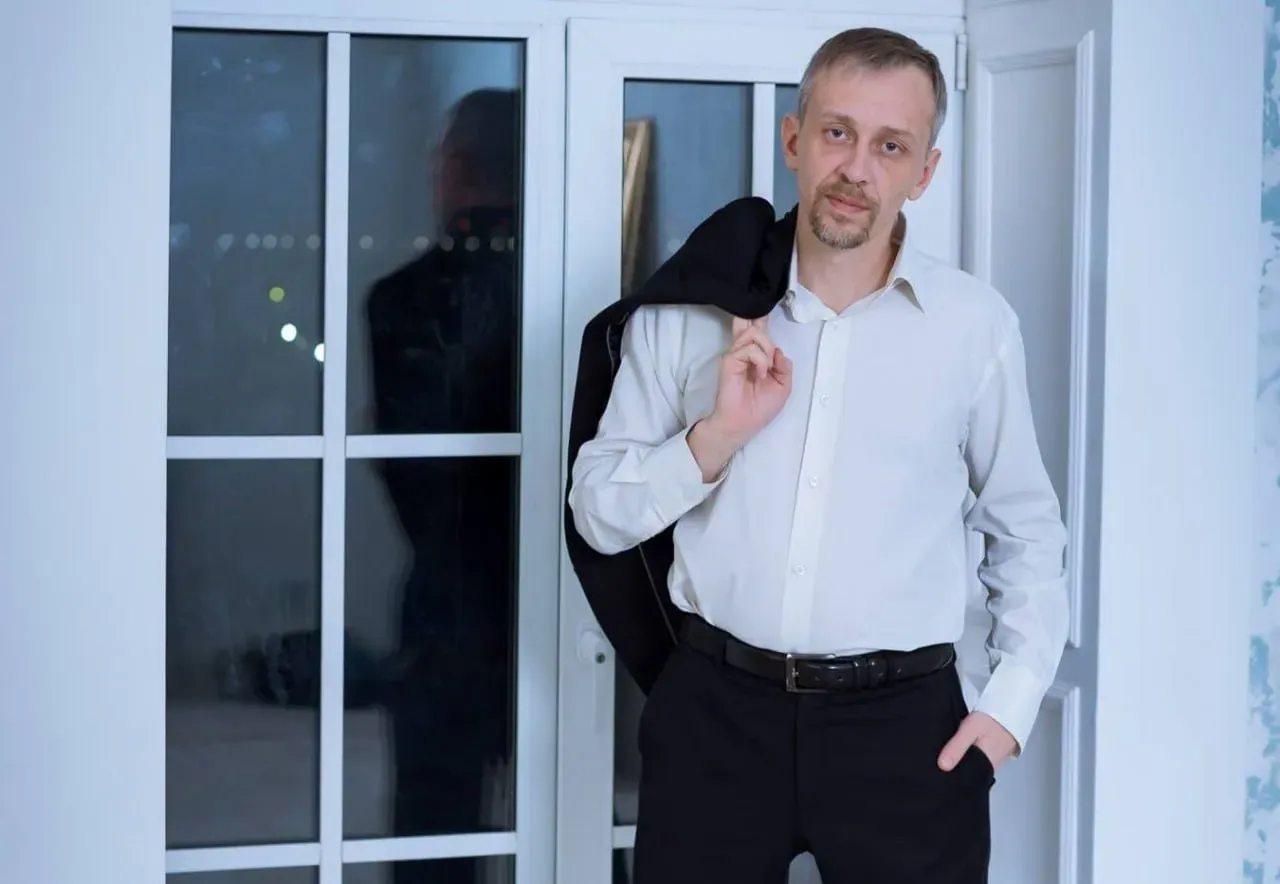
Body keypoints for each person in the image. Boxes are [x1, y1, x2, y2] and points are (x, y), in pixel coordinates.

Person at [565, 27, 1068, 884]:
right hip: (715, 719)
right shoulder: (688, 316)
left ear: (924, 173)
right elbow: (599, 517)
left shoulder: (974, 328)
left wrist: (1007, 714)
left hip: (905, 736)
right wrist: (716, 435)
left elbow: (1025, 530)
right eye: (838, 132)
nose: (857, 168)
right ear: (795, 140)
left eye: (891, 146)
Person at [364, 87, 521, 884]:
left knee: (434, 833)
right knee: (585, 809)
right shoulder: (588, 295)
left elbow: (412, 476)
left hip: (449, 595)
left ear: (456, 165)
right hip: (565, 587)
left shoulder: (402, 300)